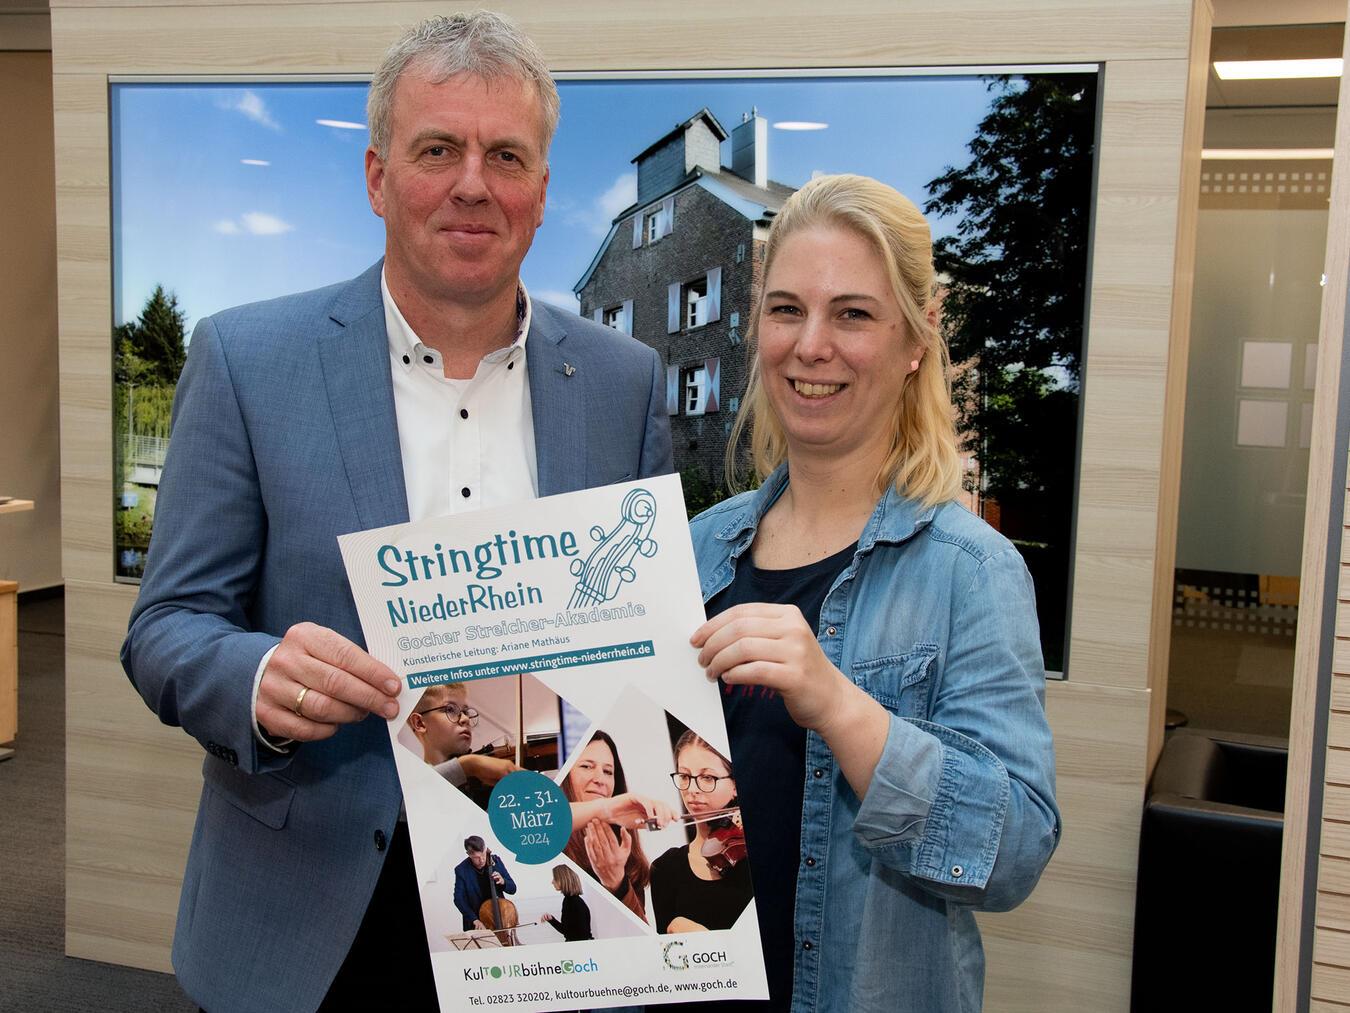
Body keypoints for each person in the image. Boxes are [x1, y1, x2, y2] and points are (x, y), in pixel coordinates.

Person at [118, 12, 673, 1012]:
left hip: (541, 898)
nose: (474, 184)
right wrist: (259, 678)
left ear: (543, 192)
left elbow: (646, 643)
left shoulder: (624, 382)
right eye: (438, 150)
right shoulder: (247, 360)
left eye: (506, 156)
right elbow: (165, 626)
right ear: (378, 177)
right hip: (313, 911)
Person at [687, 174, 1060, 1013]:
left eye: (852, 314)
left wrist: (839, 706)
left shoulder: (971, 571)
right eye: (787, 309)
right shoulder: (697, 548)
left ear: (916, 339)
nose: (811, 345)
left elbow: (1014, 853)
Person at [559, 729, 674, 923]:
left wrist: (617, 883)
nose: (600, 779)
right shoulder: (549, 831)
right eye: (586, 766)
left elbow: (640, 928)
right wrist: (606, 809)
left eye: (608, 771)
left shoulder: (624, 848)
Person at [649, 730, 752, 934]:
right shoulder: (665, 869)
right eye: (684, 776)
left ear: (735, 785)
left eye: (707, 777)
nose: (692, 789)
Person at [405, 681, 519, 802]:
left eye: (465, 712)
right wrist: (469, 766)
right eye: (450, 709)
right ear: (419, 723)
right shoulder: (409, 783)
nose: (465, 719)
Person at [453, 835, 518, 932]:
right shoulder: (461, 870)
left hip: (500, 919)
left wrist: (503, 881)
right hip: (477, 922)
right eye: (477, 857)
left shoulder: (496, 861)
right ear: (469, 854)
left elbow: (513, 889)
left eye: (483, 855)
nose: (482, 860)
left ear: (485, 849)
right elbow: (459, 899)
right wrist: (474, 919)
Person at [541, 864, 593, 941]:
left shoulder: (573, 902)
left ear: (563, 879)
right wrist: (551, 919)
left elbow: (579, 935)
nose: (552, 882)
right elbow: (567, 931)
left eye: (555, 878)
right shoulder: (569, 900)